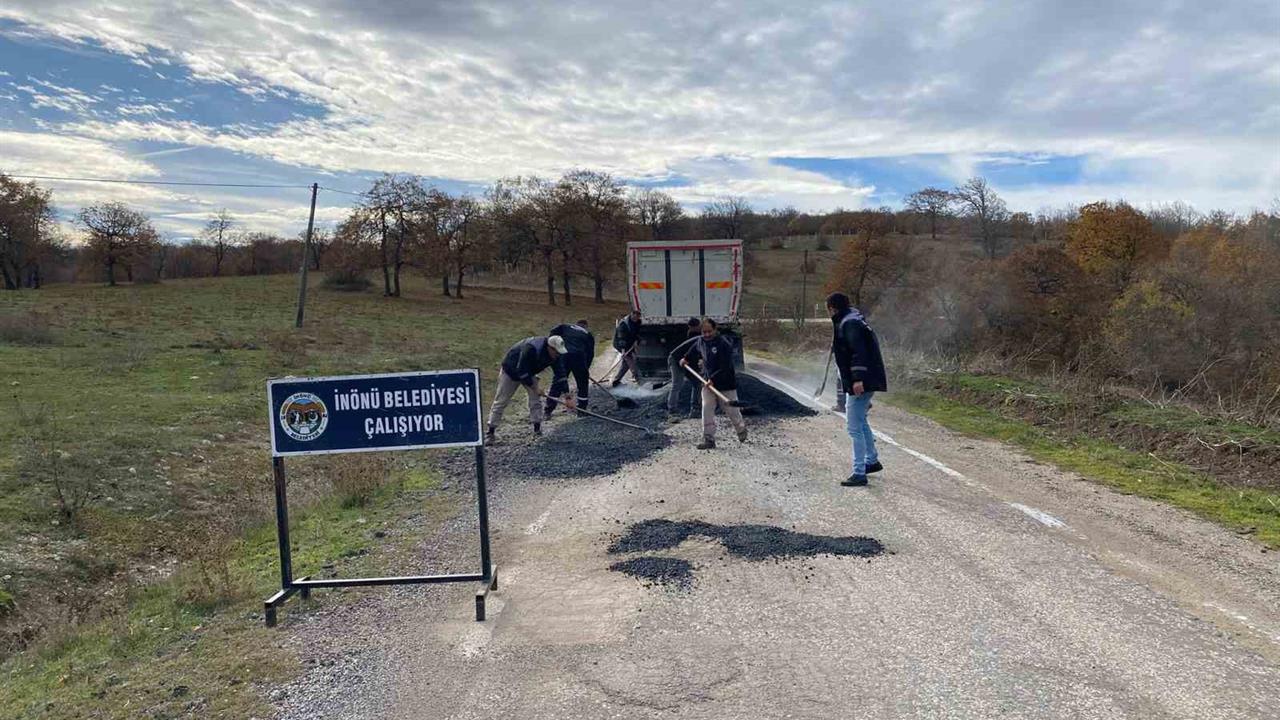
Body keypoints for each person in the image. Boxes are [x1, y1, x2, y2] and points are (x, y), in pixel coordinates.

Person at [828, 292, 887, 486]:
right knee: (861, 421)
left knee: (853, 427)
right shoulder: (852, 319)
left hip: (862, 381)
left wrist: (858, 379)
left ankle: (859, 473)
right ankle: (871, 460)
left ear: (833, 308)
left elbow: (857, 353)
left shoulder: (849, 323)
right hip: (866, 379)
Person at [486, 335, 570, 445]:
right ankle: (490, 432)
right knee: (501, 401)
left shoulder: (556, 356)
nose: (558, 355)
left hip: (529, 372)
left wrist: (568, 396)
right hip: (511, 371)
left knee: (535, 400)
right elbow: (521, 371)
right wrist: (535, 387)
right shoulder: (531, 348)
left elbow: (561, 374)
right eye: (557, 352)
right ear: (550, 348)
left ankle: (537, 430)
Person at [678, 318, 747, 449]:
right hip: (708, 382)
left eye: (709, 331)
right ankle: (709, 439)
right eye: (704, 332)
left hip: (725, 382)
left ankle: (741, 429)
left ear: (715, 330)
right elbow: (693, 350)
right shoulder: (701, 341)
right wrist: (685, 358)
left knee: (731, 410)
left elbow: (725, 366)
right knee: (707, 409)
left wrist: (713, 379)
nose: (707, 334)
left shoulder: (723, 344)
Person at [544, 319, 595, 418]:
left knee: (558, 382)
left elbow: (552, 334)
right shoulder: (588, 334)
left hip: (563, 356)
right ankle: (582, 411)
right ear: (585, 326)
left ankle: (548, 410)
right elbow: (590, 353)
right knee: (582, 384)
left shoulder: (565, 326)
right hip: (579, 358)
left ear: (576, 324)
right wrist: (586, 369)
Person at [665, 317, 703, 422]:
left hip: (687, 361)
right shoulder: (700, 341)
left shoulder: (700, 338)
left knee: (697, 383)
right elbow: (692, 355)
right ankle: (672, 411)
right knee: (677, 384)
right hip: (676, 359)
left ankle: (695, 410)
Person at [611, 309, 643, 387]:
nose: (636, 318)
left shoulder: (638, 322)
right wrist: (623, 351)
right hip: (621, 344)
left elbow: (638, 333)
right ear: (631, 314)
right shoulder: (623, 324)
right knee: (632, 365)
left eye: (638, 316)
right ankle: (641, 384)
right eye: (634, 315)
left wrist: (637, 341)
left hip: (630, 344)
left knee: (625, 365)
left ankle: (616, 381)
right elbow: (622, 339)